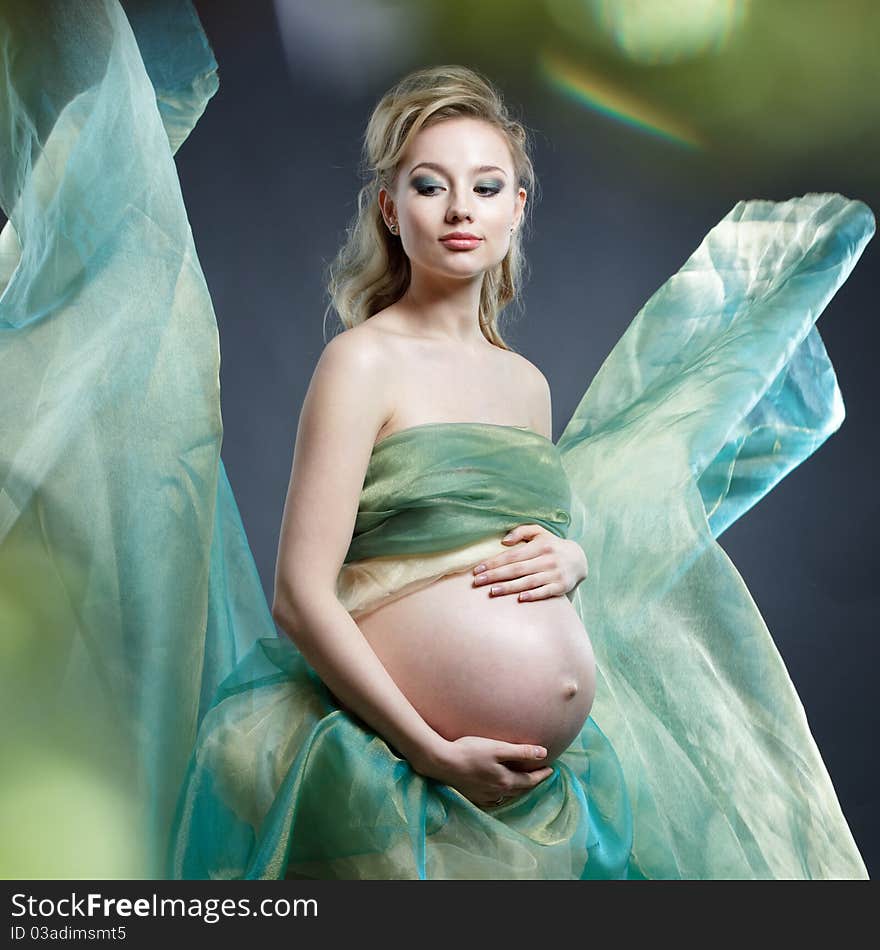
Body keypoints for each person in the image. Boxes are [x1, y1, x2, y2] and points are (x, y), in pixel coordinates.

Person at [0, 0, 872, 880]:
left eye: (486, 186)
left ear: (516, 206)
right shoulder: (360, 364)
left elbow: (494, 544)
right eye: (429, 183)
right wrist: (431, 749)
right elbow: (301, 597)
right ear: (390, 205)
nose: (460, 209)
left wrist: (572, 566)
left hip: (542, 795)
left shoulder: (524, 384)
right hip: (391, 774)